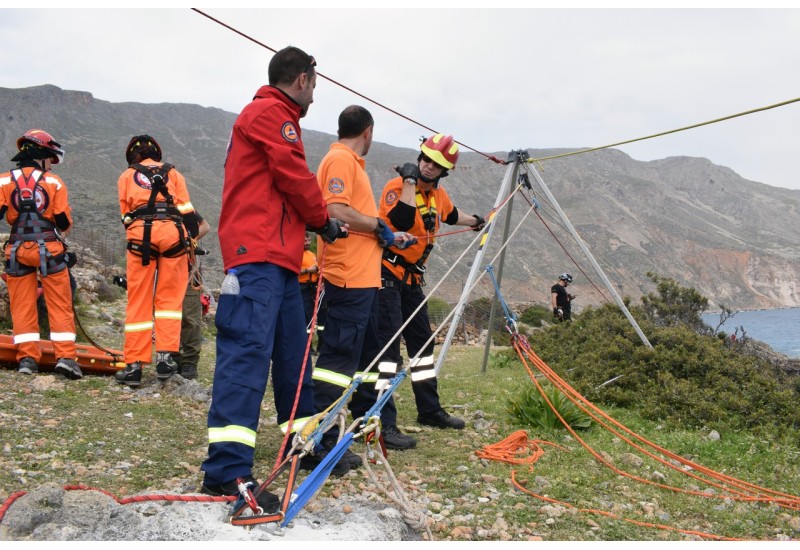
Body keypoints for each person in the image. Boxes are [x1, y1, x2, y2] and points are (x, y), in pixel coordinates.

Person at [199, 46, 347, 510]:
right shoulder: (269, 113)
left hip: (280, 261)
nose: (315, 98)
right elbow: (294, 176)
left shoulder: (276, 116)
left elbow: (285, 182)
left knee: (293, 357)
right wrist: (323, 219)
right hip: (257, 257)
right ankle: (226, 470)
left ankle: (302, 445)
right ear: (301, 79)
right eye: (315, 87)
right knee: (246, 356)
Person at [311, 105, 418, 465]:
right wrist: (377, 226)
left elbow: (355, 220)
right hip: (346, 277)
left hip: (364, 277)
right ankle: (317, 441)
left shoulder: (350, 164)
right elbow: (335, 211)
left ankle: (358, 425)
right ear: (367, 132)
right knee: (335, 362)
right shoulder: (340, 161)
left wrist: (385, 235)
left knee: (363, 361)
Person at [376, 134, 486, 432]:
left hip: (412, 279)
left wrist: (476, 220)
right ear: (419, 157)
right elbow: (399, 220)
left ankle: (429, 410)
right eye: (425, 160)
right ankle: (382, 420)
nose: (428, 167)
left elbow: (450, 215)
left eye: (436, 165)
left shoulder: (439, 196)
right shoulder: (397, 187)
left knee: (422, 346)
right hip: (387, 276)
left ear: (443, 171)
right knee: (388, 352)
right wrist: (410, 183)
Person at [115, 135, 200, 387]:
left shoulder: (126, 176)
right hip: (173, 235)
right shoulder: (174, 174)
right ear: (157, 155)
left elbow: (125, 216)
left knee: (139, 299)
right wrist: (190, 242)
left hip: (141, 237)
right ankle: (165, 358)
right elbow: (188, 213)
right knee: (169, 302)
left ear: (134, 156)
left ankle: (134, 367)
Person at [0, 129, 82, 379]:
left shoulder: (3, 181)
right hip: (49, 250)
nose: (52, 165)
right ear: (43, 156)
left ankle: (27, 359)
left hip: (17, 250)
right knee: (60, 304)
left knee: (22, 306)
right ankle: (66, 358)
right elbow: (62, 221)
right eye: (51, 159)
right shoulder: (53, 182)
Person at [175, 213, 211, 380]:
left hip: (189, 272)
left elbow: (204, 226)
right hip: (163, 273)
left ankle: (190, 362)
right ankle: (172, 357)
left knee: (190, 318)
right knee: (169, 318)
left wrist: (187, 240)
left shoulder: (183, 207)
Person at [298, 231, 320, 354]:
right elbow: (293, 270)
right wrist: (308, 270)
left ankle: (310, 345)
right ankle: (304, 346)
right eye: (305, 241)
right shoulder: (296, 254)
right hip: (300, 288)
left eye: (308, 240)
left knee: (310, 317)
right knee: (303, 317)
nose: (307, 242)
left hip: (311, 288)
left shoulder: (311, 254)